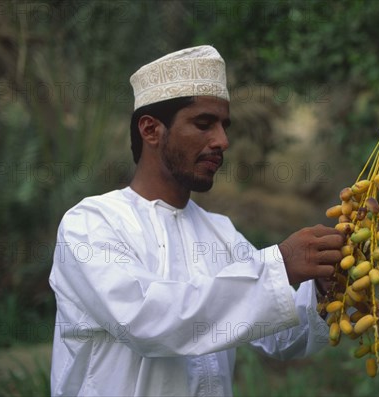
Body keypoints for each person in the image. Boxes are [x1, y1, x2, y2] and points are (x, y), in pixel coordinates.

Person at [49, 45, 344, 396]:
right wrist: (280, 264)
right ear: (150, 130)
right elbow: (146, 321)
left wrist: (329, 284)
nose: (222, 140)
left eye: (223, 126)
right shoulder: (90, 224)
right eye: (204, 124)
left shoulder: (221, 234)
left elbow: (282, 338)